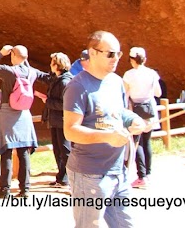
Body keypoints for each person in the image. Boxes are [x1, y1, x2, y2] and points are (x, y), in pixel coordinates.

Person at [63, 31, 147, 228]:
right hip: (89, 175)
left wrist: (133, 119)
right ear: (92, 53)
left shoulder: (116, 81)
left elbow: (119, 113)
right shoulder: (77, 87)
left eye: (119, 53)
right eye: (110, 54)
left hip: (118, 171)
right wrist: (108, 137)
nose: (116, 58)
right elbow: (70, 130)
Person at [0, 44, 50, 197]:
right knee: (24, 152)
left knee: (6, 151)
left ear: (12, 55)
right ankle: (25, 189)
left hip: (8, 114)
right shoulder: (32, 72)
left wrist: (1, 53)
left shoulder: (8, 71)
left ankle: (5, 189)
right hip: (24, 115)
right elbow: (50, 78)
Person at [122, 46, 162, 188]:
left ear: (132, 60)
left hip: (135, 109)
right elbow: (158, 93)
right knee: (147, 141)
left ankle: (141, 176)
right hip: (149, 110)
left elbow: (125, 93)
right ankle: (148, 174)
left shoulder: (129, 74)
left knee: (136, 142)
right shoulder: (152, 73)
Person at [44, 52, 73, 187]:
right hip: (56, 120)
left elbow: (65, 104)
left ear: (57, 65)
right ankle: (62, 178)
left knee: (65, 150)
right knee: (58, 150)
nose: (50, 65)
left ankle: (71, 178)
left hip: (62, 121)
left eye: (52, 63)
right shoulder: (57, 79)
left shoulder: (65, 82)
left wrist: (47, 101)